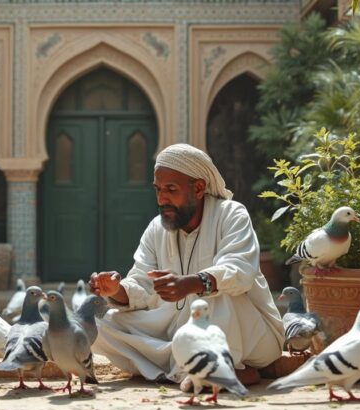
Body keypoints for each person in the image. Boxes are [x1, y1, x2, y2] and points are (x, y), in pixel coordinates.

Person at [90, 143, 285, 386]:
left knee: (214, 293)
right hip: (179, 333)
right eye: (158, 189)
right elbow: (141, 283)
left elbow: (239, 272)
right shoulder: (156, 228)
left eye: (171, 189)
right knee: (98, 325)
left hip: (251, 336)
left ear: (199, 188)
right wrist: (116, 291)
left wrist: (192, 283)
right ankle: (193, 370)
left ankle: (211, 368)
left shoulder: (232, 214)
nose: (162, 198)